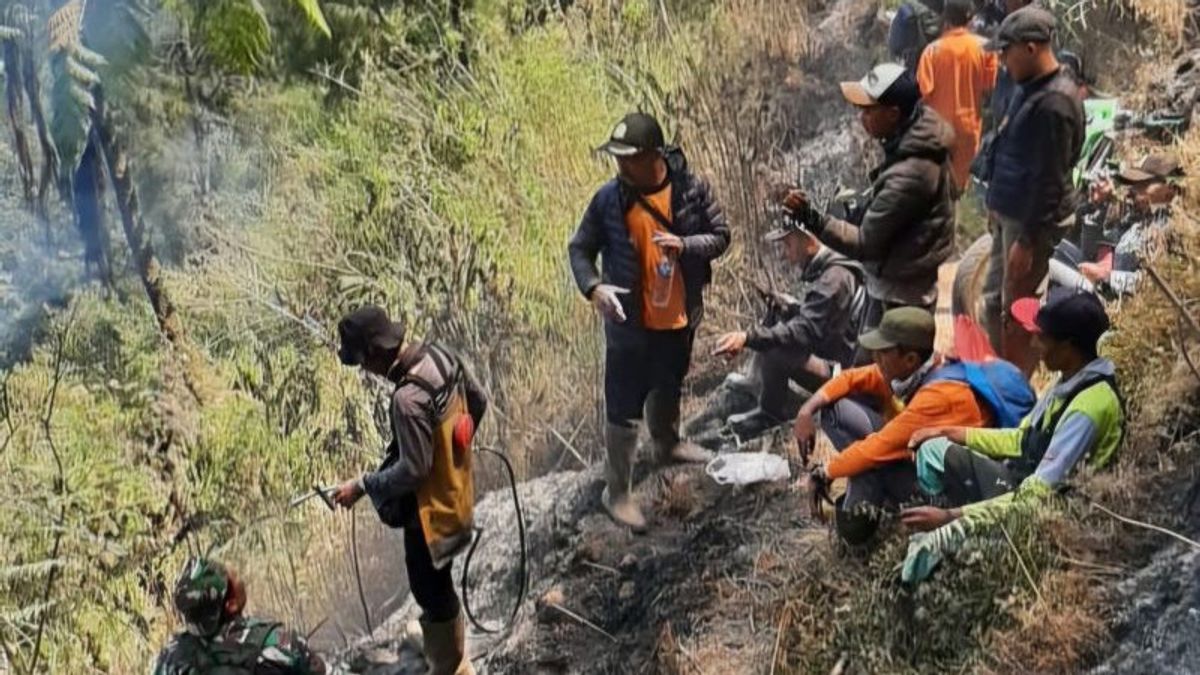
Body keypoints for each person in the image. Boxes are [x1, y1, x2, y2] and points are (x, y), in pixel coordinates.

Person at [568, 112, 730, 531]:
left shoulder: (691, 190)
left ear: (653, 156)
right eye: (617, 159)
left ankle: (668, 444)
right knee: (622, 406)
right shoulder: (608, 199)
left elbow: (721, 235)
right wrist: (594, 289)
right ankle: (617, 492)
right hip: (628, 326)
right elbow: (580, 249)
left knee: (669, 381)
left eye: (628, 158)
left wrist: (686, 245)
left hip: (677, 315)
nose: (620, 167)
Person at [901, 292, 1123, 581]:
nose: (1034, 344)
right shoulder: (1068, 381)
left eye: (1043, 338)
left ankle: (951, 540)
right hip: (1021, 485)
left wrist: (952, 518)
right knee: (935, 448)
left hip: (1044, 514)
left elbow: (1036, 498)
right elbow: (1020, 440)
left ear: (1068, 346)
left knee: (923, 557)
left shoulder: (1089, 407)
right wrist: (948, 431)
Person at [330, 305, 487, 675]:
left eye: (362, 362)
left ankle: (451, 665)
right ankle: (445, 647)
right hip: (456, 491)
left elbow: (413, 470)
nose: (365, 371)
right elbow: (478, 400)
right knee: (438, 585)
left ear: (373, 354)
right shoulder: (439, 354)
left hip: (431, 515)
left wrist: (364, 485)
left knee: (432, 591)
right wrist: (457, 446)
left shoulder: (406, 400)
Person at [783, 63, 955, 354]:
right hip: (898, 281)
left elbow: (865, 244)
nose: (862, 118)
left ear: (893, 114)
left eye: (869, 110)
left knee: (874, 382)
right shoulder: (914, 140)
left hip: (900, 296)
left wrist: (810, 217)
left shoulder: (911, 173)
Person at [793, 307, 996, 543]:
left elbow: (878, 448)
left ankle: (862, 519)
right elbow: (850, 378)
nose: (875, 358)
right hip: (922, 461)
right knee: (834, 410)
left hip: (951, 496)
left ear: (909, 358)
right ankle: (866, 498)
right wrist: (806, 410)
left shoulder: (938, 397)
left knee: (870, 469)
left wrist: (825, 474)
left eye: (882, 353)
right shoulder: (923, 368)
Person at [978, 6, 1085, 376]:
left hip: (1029, 223)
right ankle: (1002, 376)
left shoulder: (1055, 103)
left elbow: (1050, 181)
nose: (1003, 62)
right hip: (1012, 215)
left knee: (1018, 310)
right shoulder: (1031, 87)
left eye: (1006, 52)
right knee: (994, 302)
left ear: (1031, 48)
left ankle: (1016, 391)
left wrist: (1026, 240)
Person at [712, 215, 864, 439]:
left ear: (811, 242)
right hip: (842, 355)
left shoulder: (834, 279)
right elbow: (823, 325)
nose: (786, 254)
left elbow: (803, 333)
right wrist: (791, 308)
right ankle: (757, 384)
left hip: (850, 376)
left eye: (788, 244)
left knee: (776, 347)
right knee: (779, 314)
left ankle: (770, 414)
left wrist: (747, 337)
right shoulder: (835, 267)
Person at [154, 557, 326, 674]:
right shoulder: (273, 641)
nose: (234, 574)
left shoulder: (171, 656)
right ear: (231, 604)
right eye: (230, 578)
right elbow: (320, 670)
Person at [1052, 153, 1183, 297]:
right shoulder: (1137, 219)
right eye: (1135, 184)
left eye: (1144, 184)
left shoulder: (1170, 228)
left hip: (1114, 299)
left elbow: (1157, 286)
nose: (1134, 189)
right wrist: (1100, 205)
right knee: (1051, 246)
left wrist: (1107, 276)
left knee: (1049, 263)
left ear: (1170, 189)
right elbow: (1090, 252)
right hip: (1102, 286)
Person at [917, 0, 999, 192]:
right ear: (970, 19)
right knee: (958, 187)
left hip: (937, 130)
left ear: (945, 19)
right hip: (969, 129)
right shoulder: (985, 49)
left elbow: (922, 92)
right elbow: (990, 86)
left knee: (936, 187)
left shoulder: (932, 51)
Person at [888, 0, 946, 74]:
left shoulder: (908, 7)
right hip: (939, 65)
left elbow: (895, 44)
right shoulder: (949, 10)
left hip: (913, 65)